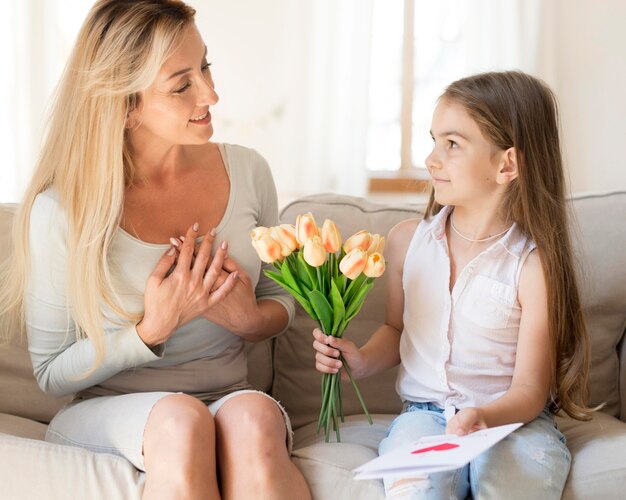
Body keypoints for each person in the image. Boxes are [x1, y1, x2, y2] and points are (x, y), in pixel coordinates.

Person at [0, 1, 311, 498]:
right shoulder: (63, 211)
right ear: (126, 105)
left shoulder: (249, 171)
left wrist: (248, 319)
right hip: (113, 411)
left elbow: (284, 299)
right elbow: (51, 373)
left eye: (205, 66)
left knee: (255, 419)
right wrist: (151, 330)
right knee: (181, 422)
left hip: (227, 394)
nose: (211, 93)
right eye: (181, 84)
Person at [312, 71, 594, 499]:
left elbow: (530, 391)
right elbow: (397, 331)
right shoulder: (408, 241)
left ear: (506, 164)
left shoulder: (532, 266)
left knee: (512, 488)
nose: (431, 159)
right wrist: (361, 360)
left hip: (512, 422)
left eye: (452, 144)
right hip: (423, 417)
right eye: (433, 140)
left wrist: (482, 416)